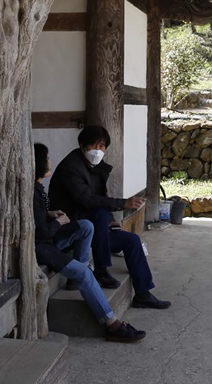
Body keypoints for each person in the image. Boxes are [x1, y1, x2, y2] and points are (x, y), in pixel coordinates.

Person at [49, 125, 171, 310]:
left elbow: (102, 199)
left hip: (96, 228)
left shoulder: (96, 167)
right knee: (98, 215)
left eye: (102, 146)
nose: (98, 150)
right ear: (82, 145)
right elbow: (87, 200)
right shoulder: (71, 167)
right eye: (93, 145)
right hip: (73, 226)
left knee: (132, 241)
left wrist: (113, 220)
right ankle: (101, 269)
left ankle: (143, 293)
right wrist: (123, 203)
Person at [34, 143, 145, 342]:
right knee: (85, 272)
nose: (50, 161)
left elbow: (37, 217)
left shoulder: (37, 188)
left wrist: (50, 214)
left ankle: (78, 276)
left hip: (48, 238)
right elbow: (39, 233)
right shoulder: (42, 185)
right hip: (40, 248)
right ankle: (112, 324)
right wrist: (58, 222)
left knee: (86, 226)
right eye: (47, 158)